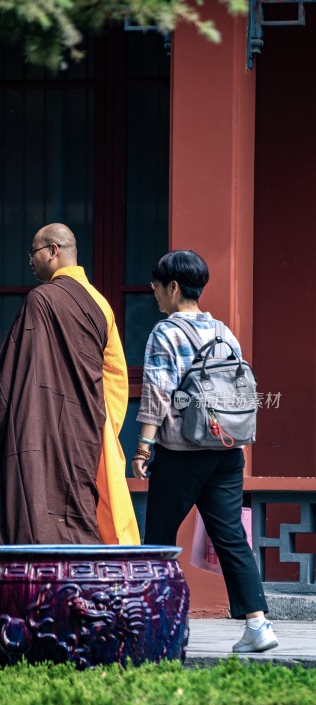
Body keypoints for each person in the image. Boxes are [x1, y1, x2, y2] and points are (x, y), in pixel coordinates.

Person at [132, 249, 278, 653]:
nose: (155, 294)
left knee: (159, 540)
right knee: (231, 536)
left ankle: (157, 625)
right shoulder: (223, 331)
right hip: (228, 451)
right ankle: (258, 625)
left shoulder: (166, 332)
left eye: (157, 287)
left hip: (181, 451)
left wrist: (143, 446)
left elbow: (158, 394)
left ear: (173, 287)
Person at [0, 222, 139, 547]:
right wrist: (105, 428)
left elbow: (15, 375)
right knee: (83, 505)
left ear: (53, 251)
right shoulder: (100, 303)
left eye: (33, 253)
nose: (30, 261)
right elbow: (116, 376)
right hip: (86, 433)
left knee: (36, 496)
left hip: (37, 430)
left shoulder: (41, 300)